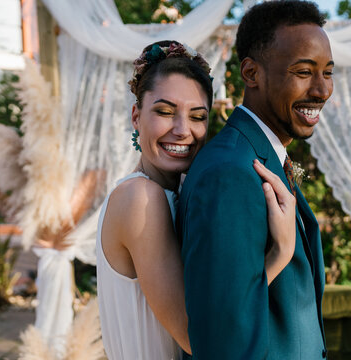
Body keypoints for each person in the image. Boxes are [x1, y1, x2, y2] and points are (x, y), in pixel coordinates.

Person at [96, 40, 296, 360]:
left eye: (197, 116)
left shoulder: (173, 194)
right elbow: (199, 339)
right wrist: (280, 253)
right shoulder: (140, 198)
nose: (182, 130)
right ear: (136, 116)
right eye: (164, 112)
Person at [178, 1, 334, 359]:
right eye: (303, 71)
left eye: (327, 72)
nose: (322, 90)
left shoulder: (259, 156)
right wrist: (281, 251)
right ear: (251, 73)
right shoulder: (229, 174)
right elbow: (222, 342)